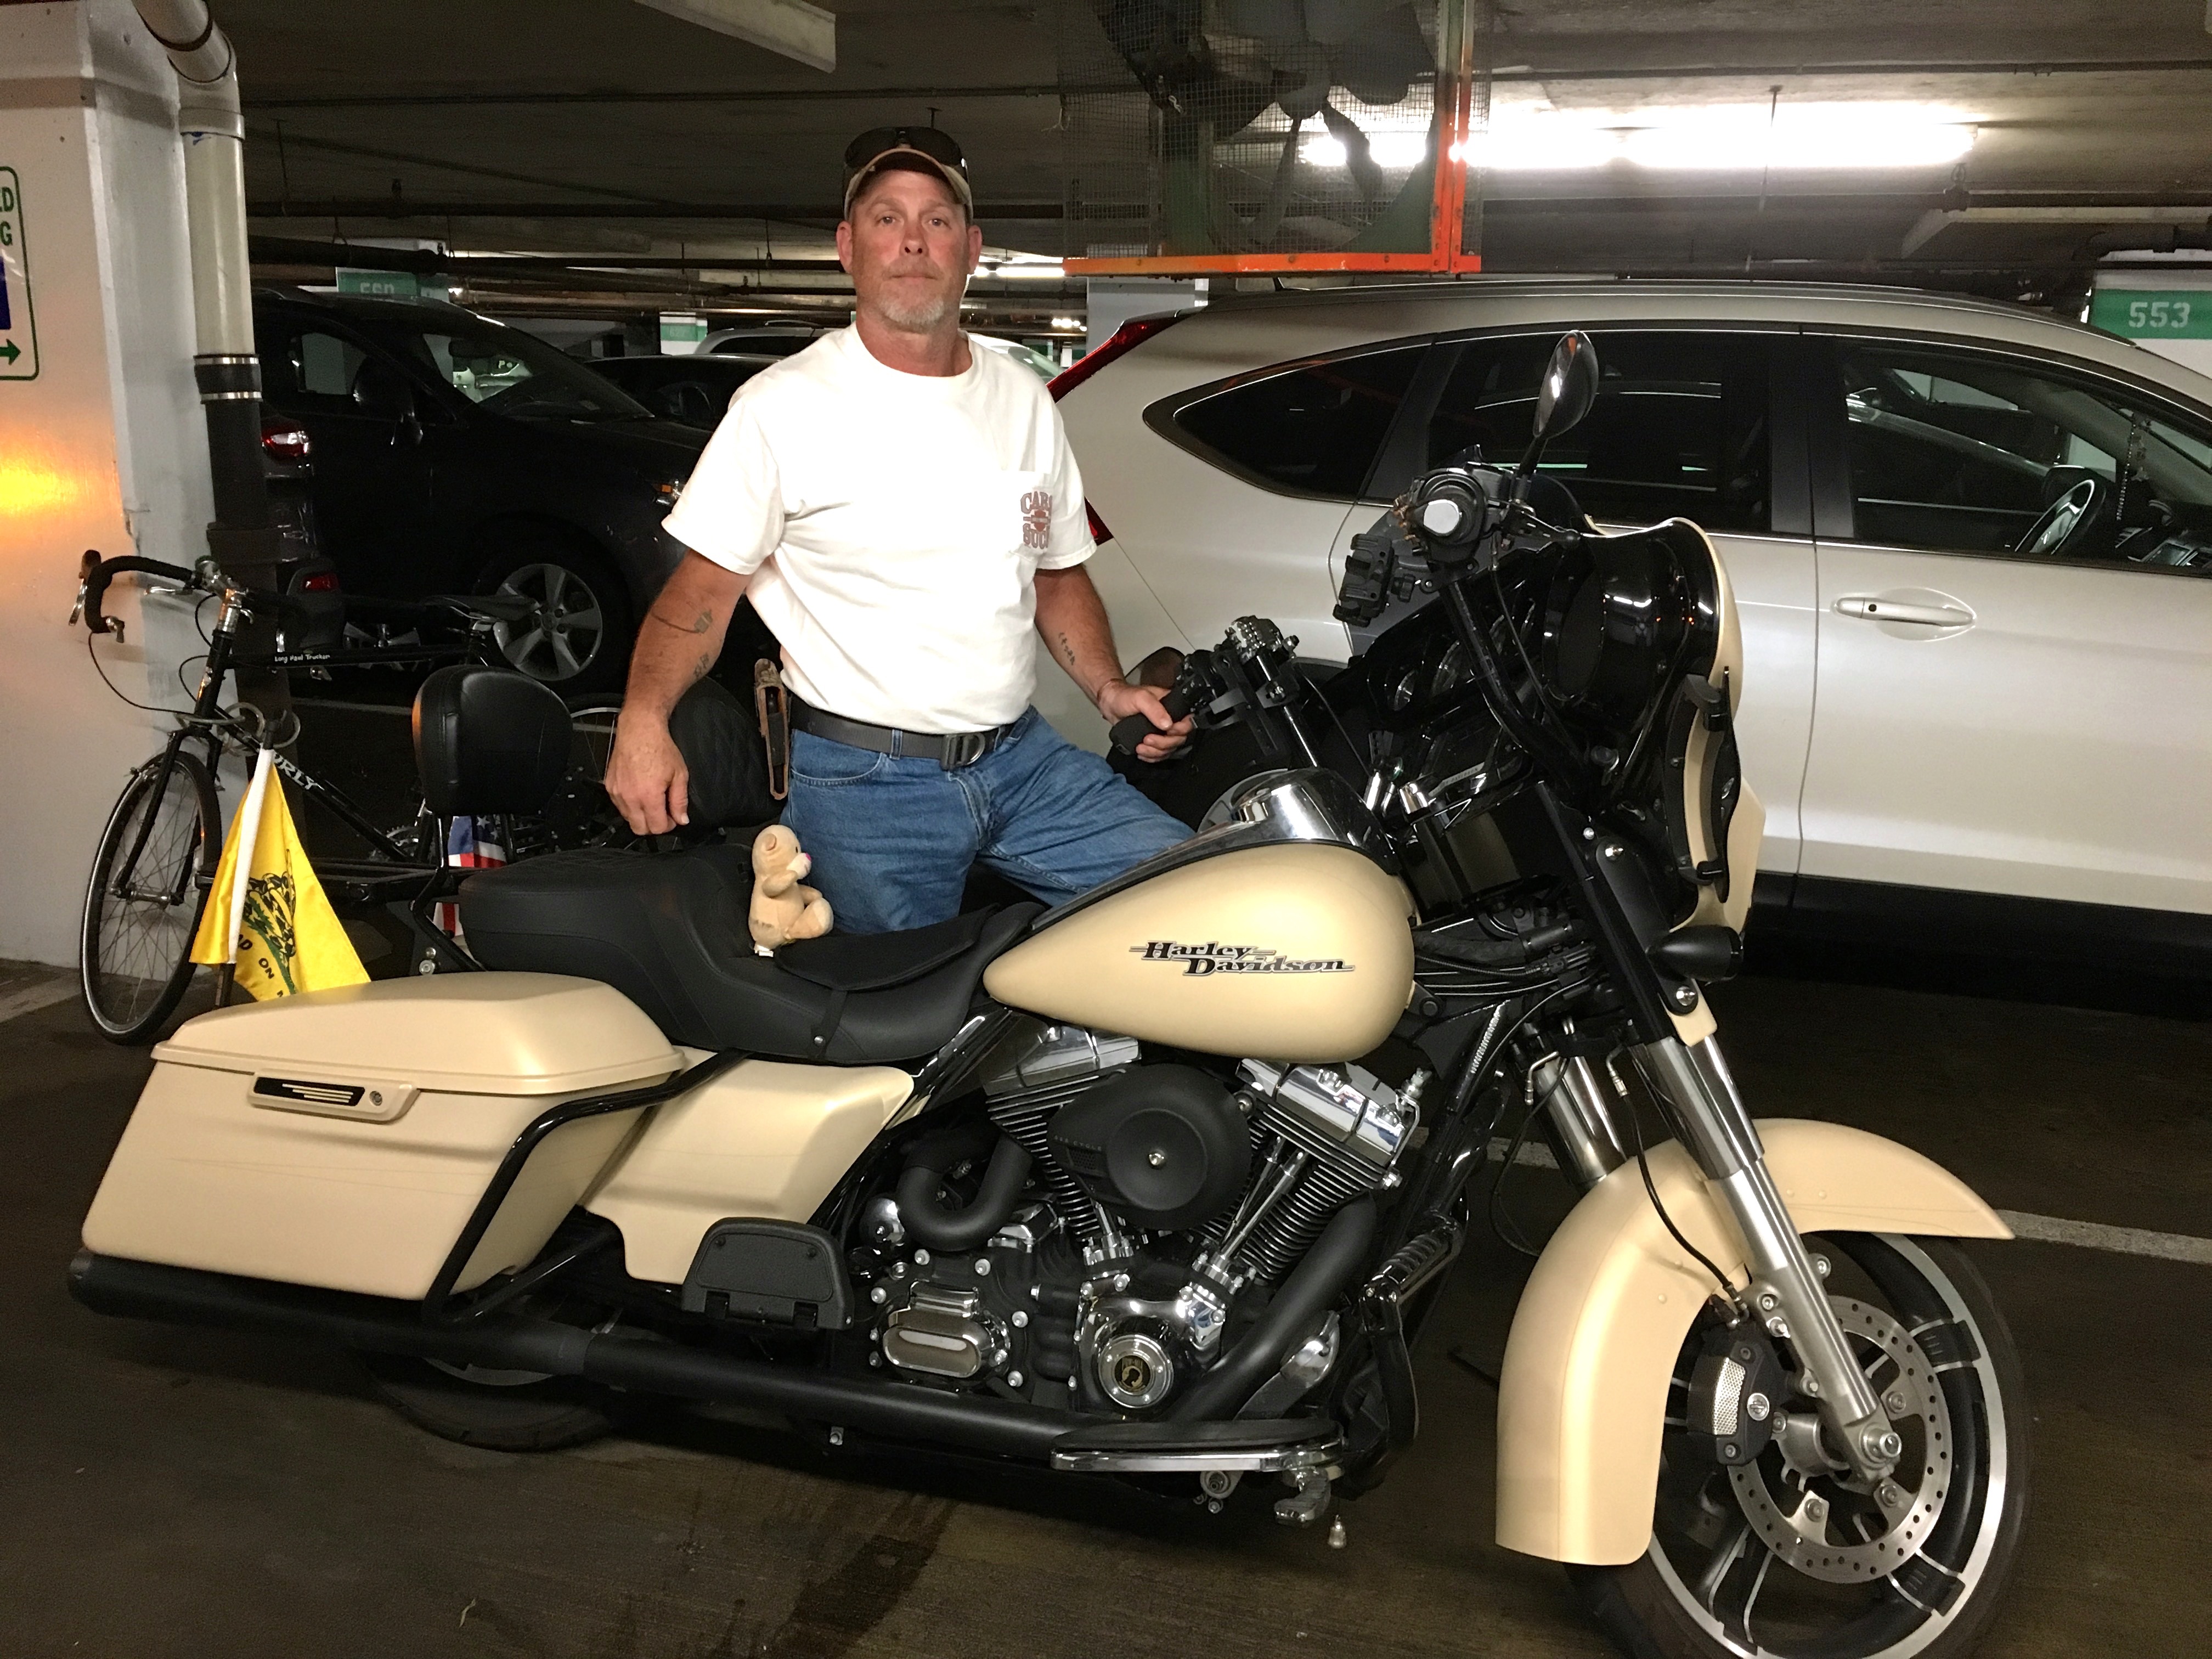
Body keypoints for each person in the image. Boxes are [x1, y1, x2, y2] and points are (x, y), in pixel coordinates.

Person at [603, 125, 1193, 934]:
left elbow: (1056, 573)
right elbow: (700, 595)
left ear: (971, 247)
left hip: (1024, 762)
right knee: (893, 1029)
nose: (913, 242)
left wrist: (1110, 688)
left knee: (1199, 897)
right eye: (887, 219)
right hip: (866, 786)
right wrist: (642, 722)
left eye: (937, 220)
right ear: (849, 247)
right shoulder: (782, 408)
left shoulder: (1022, 396)